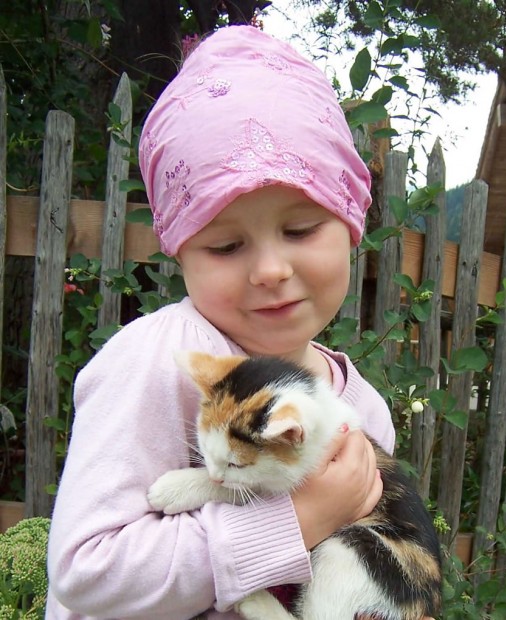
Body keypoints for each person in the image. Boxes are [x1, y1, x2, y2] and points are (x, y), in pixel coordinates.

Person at [46, 25, 435, 620]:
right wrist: (297, 522)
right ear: (179, 254)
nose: (270, 270)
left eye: (301, 230)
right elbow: (86, 570)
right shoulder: (158, 361)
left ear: (353, 225)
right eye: (226, 246)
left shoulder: (363, 409)